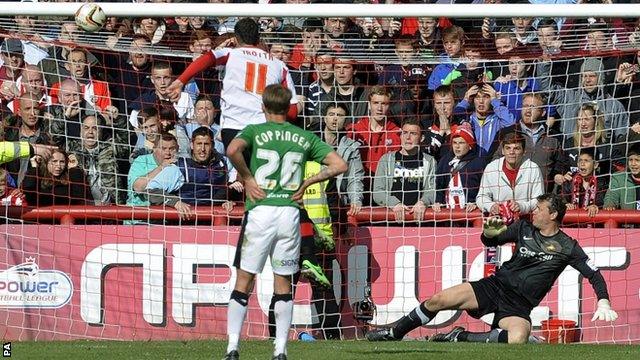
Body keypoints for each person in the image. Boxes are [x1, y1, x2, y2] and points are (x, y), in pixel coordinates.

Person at [366, 193, 619, 344]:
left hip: (518, 305)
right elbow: (490, 240)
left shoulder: (567, 246)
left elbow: (593, 273)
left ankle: (460, 337)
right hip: (494, 287)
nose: (535, 211)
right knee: (438, 299)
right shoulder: (523, 228)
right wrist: (488, 232)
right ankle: (393, 332)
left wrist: (604, 301)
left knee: (519, 337)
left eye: (540, 209)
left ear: (553, 215)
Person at [223, 84, 347, 360]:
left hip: (261, 211)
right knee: (284, 284)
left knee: (244, 281)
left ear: (263, 107)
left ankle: (232, 348)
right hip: (289, 214)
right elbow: (340, 165)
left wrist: (248, 177)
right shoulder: (303, 137)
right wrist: (308, 181)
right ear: (289, 108)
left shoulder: (255, 131)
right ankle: (280, 350)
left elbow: (232, 149)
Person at [166, 18, 299, 150]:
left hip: (233, 127)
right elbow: (293, 108)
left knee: (241, 168)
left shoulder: (231, 54)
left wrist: (180, 81)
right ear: (258, 38)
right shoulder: (279, 65)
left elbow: (207, 58)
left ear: (236, 38)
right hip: (264, 130)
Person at [372, 117, 436, 223]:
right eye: (405, 133)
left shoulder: (429, 161)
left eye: (413, 134)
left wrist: (423, 202)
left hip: (419, 222)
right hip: (391, 222)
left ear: (422, 138)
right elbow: (377, 192)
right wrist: (394, 204)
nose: (408, 137)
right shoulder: (386, 160)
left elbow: (433, 190)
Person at [476, 131, 544, 216]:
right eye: (508, 148)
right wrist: (491, 206)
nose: (511, 152)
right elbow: (481, 197)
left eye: (516, 148)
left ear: (524, 152)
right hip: (498, 220)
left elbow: (539, 199)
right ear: (503, 151)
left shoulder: (533, 168)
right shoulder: (492, 168)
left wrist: (522, 206)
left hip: (525, 221)